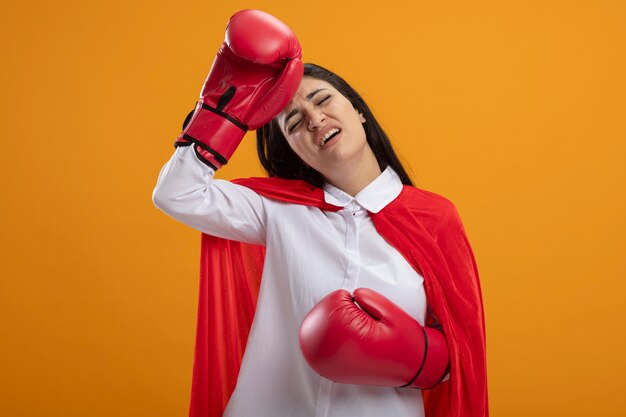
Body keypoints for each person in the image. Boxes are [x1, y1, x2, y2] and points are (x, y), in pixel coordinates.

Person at [153, 9, 488, 417]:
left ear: (359, 111)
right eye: (293, 121)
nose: (314, 119)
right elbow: (177, 193)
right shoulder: (275, 211)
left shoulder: (434, 218)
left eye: (323, 99)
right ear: (290, 149)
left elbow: (464, 355)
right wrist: (224, 110)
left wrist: (417, 358)